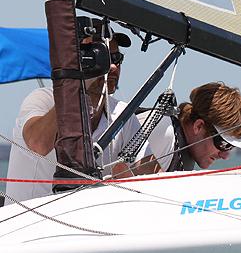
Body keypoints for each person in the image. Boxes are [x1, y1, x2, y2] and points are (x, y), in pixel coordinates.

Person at [4, 19, 147, 205]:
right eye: (105, 58)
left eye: (117, 59)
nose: (113, 67)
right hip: (27, 226)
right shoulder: (42, 99)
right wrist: (79, 82)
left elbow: (152, 172)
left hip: (78, 227)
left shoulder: (122, 114)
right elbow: (37, 144)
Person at [140, 82, 241, 172]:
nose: (225, 156)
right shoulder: (164, 131)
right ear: (199, 126)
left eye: (231, 147)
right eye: (224, 145)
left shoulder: (187, 148)